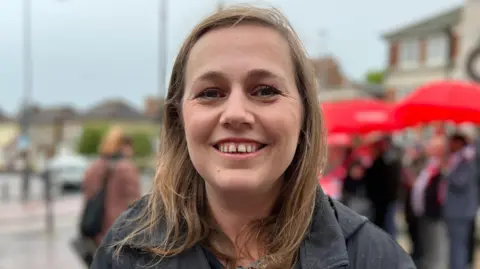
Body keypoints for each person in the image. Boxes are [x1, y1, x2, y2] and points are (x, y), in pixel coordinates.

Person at [91, 5, 415, 269]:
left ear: (304, 114)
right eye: (210, 93)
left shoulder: (376, 258)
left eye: (264, 91)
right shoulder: (126, 250)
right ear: (179, 119)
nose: (235, 113)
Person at [82, 126, 141, 245]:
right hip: (120, 230)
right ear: (123, 146)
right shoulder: (126, 167)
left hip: (97, 228)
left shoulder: (94, 166)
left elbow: (86, 191)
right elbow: (135, 202)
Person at [410, 136, 448, 269]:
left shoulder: (443, 165)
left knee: (437, 246)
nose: (429, 148)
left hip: (436, 213)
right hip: (423, 211)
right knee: (427, 245)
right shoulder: (429, 164)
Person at [444, 133, 478, 269]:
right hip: (457, 210)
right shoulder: (460, 158)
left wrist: (446, 171)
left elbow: (460, 181)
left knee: (458, 246)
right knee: (456, 246)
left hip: (461, 210)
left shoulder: (467, 159)